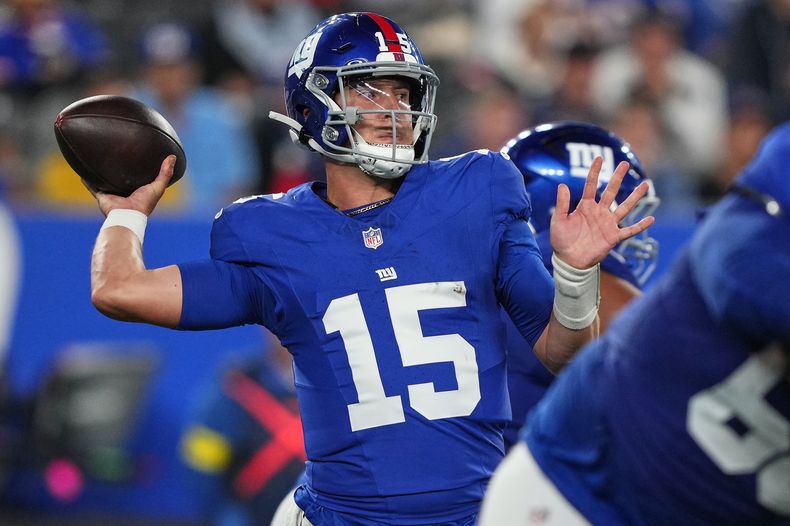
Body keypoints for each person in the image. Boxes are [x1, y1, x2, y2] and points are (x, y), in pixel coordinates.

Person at [83, 12, 653, 525]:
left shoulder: (476, 190)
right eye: (369, 90)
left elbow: (564, 352)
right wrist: (128, 216)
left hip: (472, 514)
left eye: (403, 93)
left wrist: (575, 277)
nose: (395, 110)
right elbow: (119, 289)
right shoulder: (267, 233)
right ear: (313, 104)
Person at [479, 121, 790, 525]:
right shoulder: (549, 266)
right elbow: (636, 344)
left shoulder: (495, 274)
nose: (635, 234)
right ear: (564, 207)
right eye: (620, 208)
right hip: (582, 492)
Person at [500, 121, 660, 448]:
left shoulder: (505, 265)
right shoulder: (571, 265)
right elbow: (669, 359)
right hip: (549, 479)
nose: (630, 232)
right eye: (623, 212)